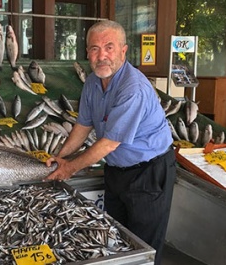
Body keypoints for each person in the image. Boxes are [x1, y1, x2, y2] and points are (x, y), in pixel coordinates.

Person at [45, 20, 176, 265]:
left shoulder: (132, 88)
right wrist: (61, 156)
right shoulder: (93, 83)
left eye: (109, 47)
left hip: (148, 172)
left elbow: (107, 144)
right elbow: (83, 126)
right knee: (116, 238)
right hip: (116, 171)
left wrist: (68, 168)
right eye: (95, 49)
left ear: (123, 51)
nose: (101, 55)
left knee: (143, 246)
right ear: (87, 53)